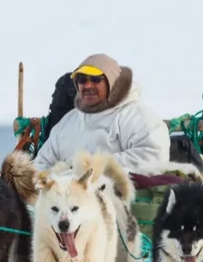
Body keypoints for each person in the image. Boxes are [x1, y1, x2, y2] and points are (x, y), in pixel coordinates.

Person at [31, 53, 171, 172]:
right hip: (67, 200)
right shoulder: (68, 122)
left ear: (112, 81)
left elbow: (154, 156)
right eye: (81, 80)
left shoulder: (134, 115)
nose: (88, 85)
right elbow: (41, 164)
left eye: (96, 79)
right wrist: (59, 178)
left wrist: (93, 167)